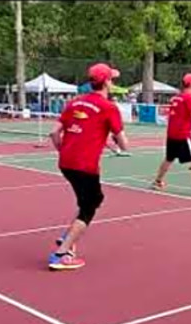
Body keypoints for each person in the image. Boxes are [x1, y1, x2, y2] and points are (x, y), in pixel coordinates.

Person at [48, 63, 129, 271]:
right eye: (112, 79)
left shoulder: (75, 103)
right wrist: (112, 135)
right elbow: (124, 144)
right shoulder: (109, 107)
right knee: (90, 205)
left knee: (87, 200)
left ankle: (68, 236)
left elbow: (54, 133)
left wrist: (64, 151)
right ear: (107, 82)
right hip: (84, 166)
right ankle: (61, 254)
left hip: (66, 163)